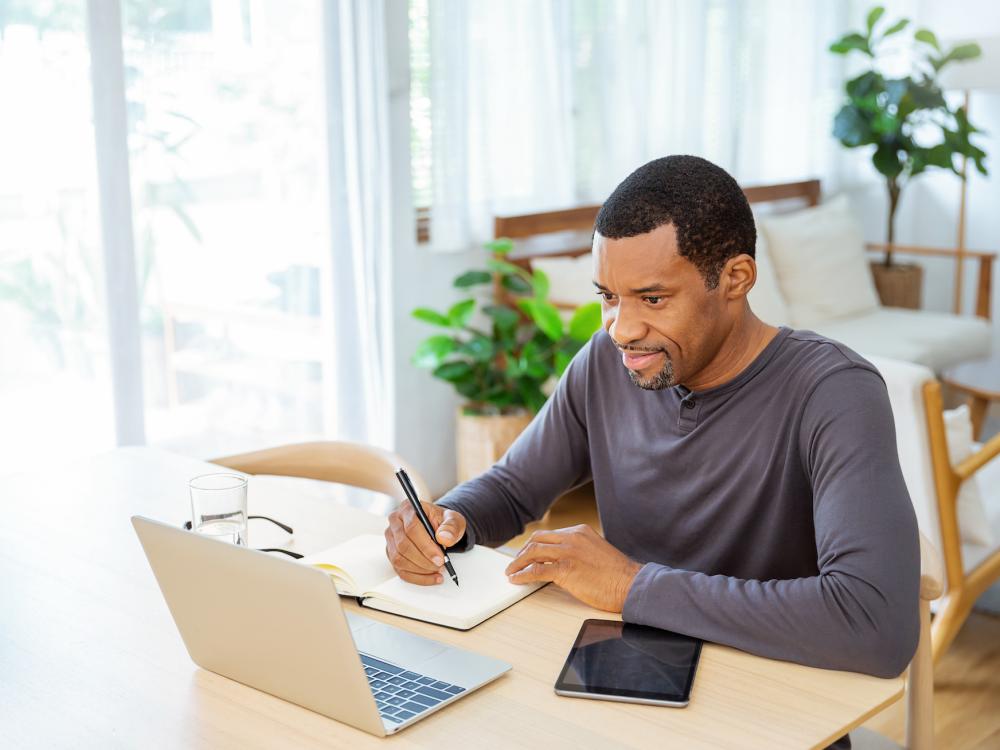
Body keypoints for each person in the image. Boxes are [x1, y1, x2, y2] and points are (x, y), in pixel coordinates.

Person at [384, 155, 920, 695]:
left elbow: (873, 624)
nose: (621, 329)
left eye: (654, 298)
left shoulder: (834, 391)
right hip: (628, 681)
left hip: (774, 703)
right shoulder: (605, 362)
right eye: (608, 297)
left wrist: (629, 585)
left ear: (735, 279)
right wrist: (448, 520)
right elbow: (513, 487)